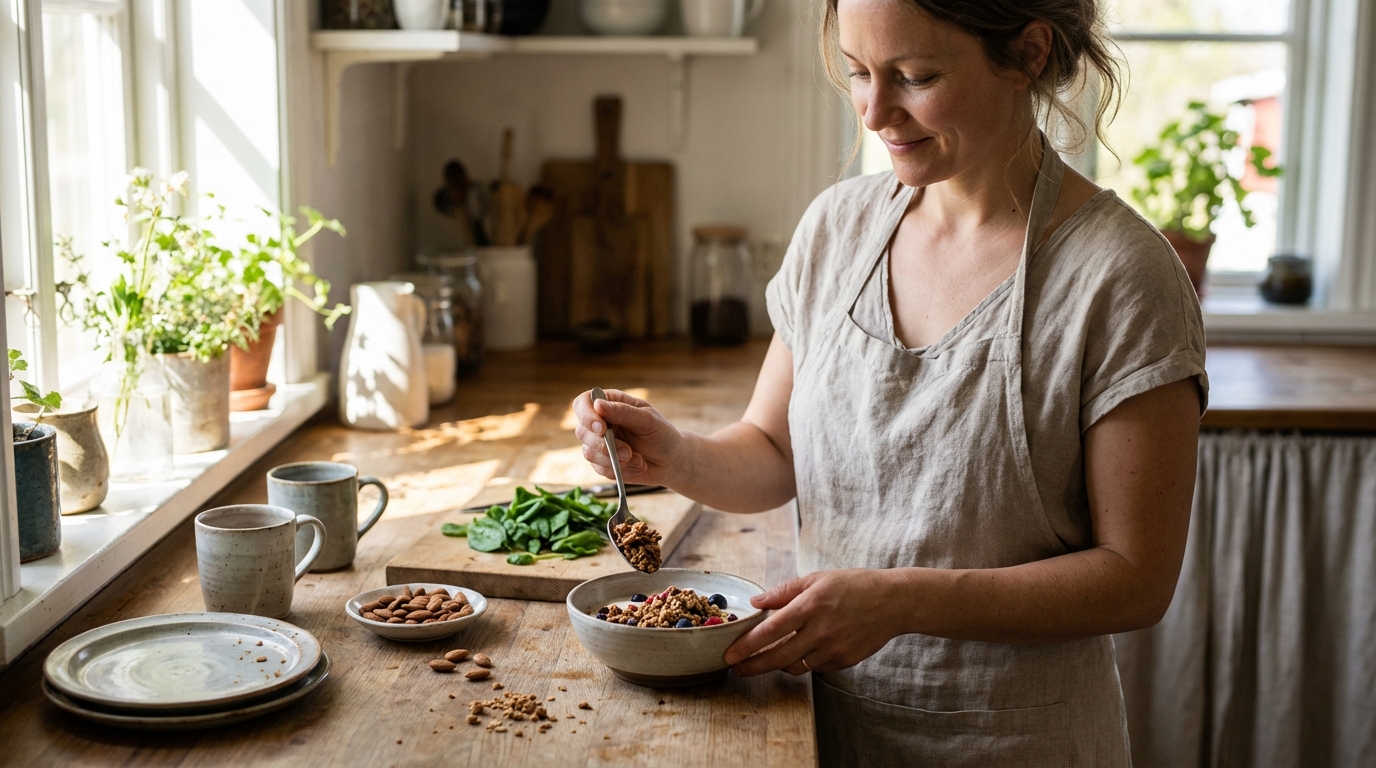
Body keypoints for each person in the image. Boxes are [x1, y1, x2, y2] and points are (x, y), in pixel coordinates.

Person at [573, 0, 1207, 764]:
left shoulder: (1121, 277)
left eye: (916, 76)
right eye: (857, 72)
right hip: (818, 726)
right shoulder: (836, 231)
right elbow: (775, 448)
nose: (875, 112)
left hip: (1014, 742)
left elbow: (1135, 581)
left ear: (1029, 54)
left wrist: (901, 600)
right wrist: (674, 456)